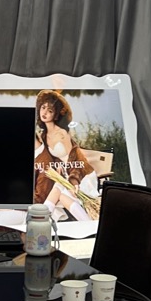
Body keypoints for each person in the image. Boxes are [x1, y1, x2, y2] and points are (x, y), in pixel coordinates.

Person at [33, 90, 100, 220]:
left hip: (80, 173)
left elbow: (77, 158)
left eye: (50, 110)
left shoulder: (62, 133)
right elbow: (52, 158)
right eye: (43, 107)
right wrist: (57, 168)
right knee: (58, 192)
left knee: (60, 192)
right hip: (64, 174)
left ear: (56, 115)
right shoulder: (44, 135)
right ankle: (42, 218)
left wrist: (73, 180)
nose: (45, 112)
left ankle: (41, 217)